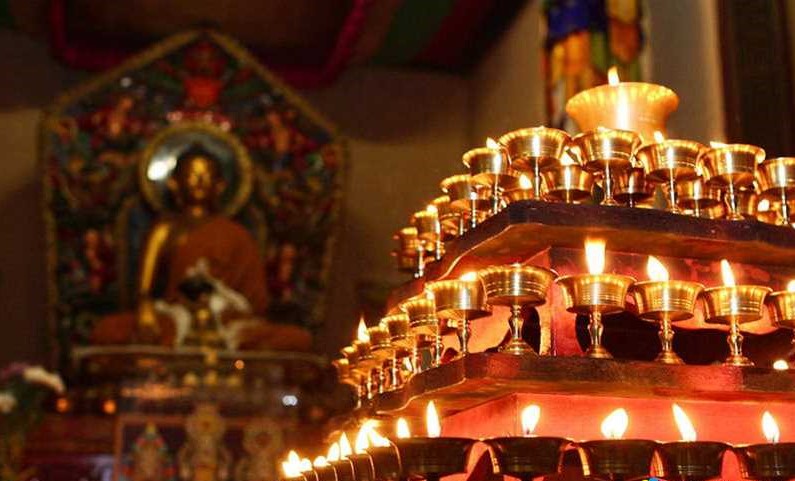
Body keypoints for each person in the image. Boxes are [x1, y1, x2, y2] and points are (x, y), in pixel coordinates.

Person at [91, 144, 310, 351]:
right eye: (192, 174)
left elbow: (256, 303)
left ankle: (194, 351)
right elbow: (144, 292)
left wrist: (223, 301)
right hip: (177, 320)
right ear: (174, 183)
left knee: (297, 338)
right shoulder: (164, 230)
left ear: (220, 186)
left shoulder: (237, 234)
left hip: (226, 323)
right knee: (108, 330)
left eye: (207, 175)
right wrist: (146, 313)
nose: (199, 181)